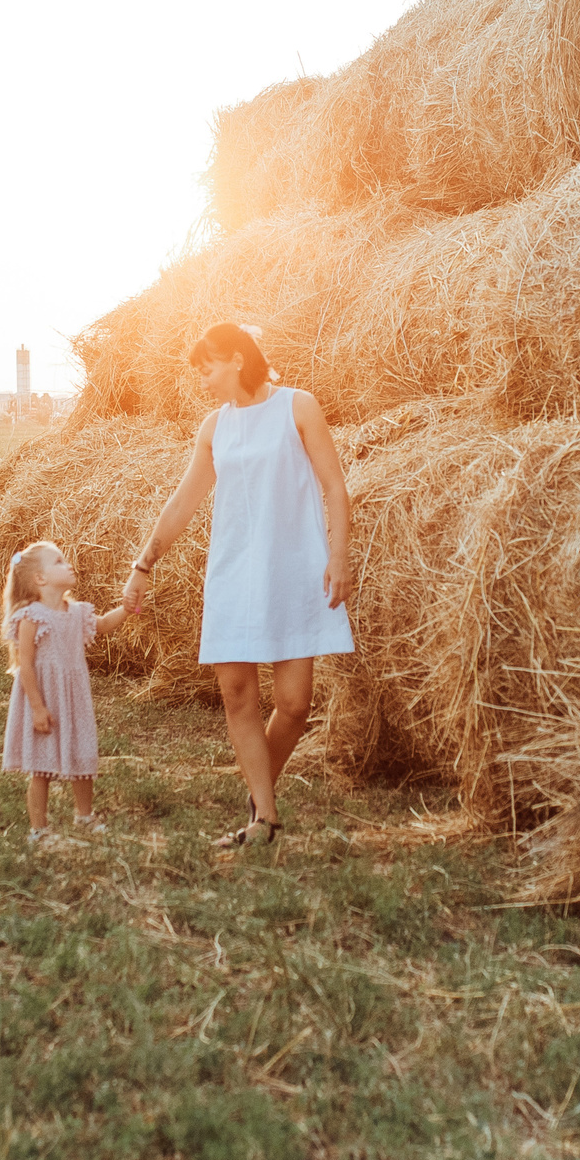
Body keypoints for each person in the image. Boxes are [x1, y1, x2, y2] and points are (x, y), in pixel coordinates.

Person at [125, 322, 352, 849]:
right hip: (233, 571)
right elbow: (183, 503)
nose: (200, 379)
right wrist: (143, 563)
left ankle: (257, 796)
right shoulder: (214, 427)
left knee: (295, 704)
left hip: (294, 568)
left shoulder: (299, 407)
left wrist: (340, 556)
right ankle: (264, 819)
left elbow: (335, 486)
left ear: (236, 359)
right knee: (237, 695)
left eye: (206, 367)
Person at [1, 539, 132, 846]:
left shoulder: (76, 612)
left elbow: (102, 625)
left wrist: (126, 609)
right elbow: (27, 667)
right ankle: (39, 828)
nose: (68, 563)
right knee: (41, 766)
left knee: (82, 756)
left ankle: (84, 817)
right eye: (59, 561)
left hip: (74, 696)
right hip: (44, 696)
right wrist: (36, 707)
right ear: (40, 579)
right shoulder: (31, 617)